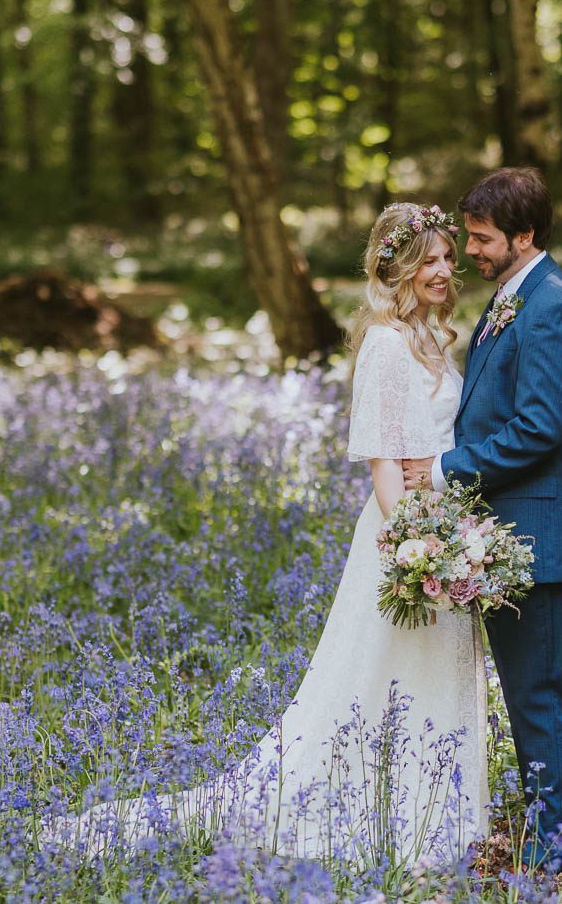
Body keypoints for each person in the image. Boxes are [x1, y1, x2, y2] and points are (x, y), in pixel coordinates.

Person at [49, 203, 488, 865]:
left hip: (444, 529)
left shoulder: (431, 339)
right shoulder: (387, 345)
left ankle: (438, 818)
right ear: (394, 266)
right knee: (384, 676)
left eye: (449, 258)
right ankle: (381, 821)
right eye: (428, 259)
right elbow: (383, 465)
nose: (444, 270)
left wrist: (454, 536)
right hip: (404, 535)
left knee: (430, 670)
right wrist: (414, 548)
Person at [402, 167, 562, 872]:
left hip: (542, 535)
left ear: (525, 235)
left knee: (546, 692)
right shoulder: (510, 300)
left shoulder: (551, 307)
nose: (472, 253)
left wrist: (446, 469)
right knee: (528, 691)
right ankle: (550, 826)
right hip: (511, 533)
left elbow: (540, 428)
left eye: (483, 240)